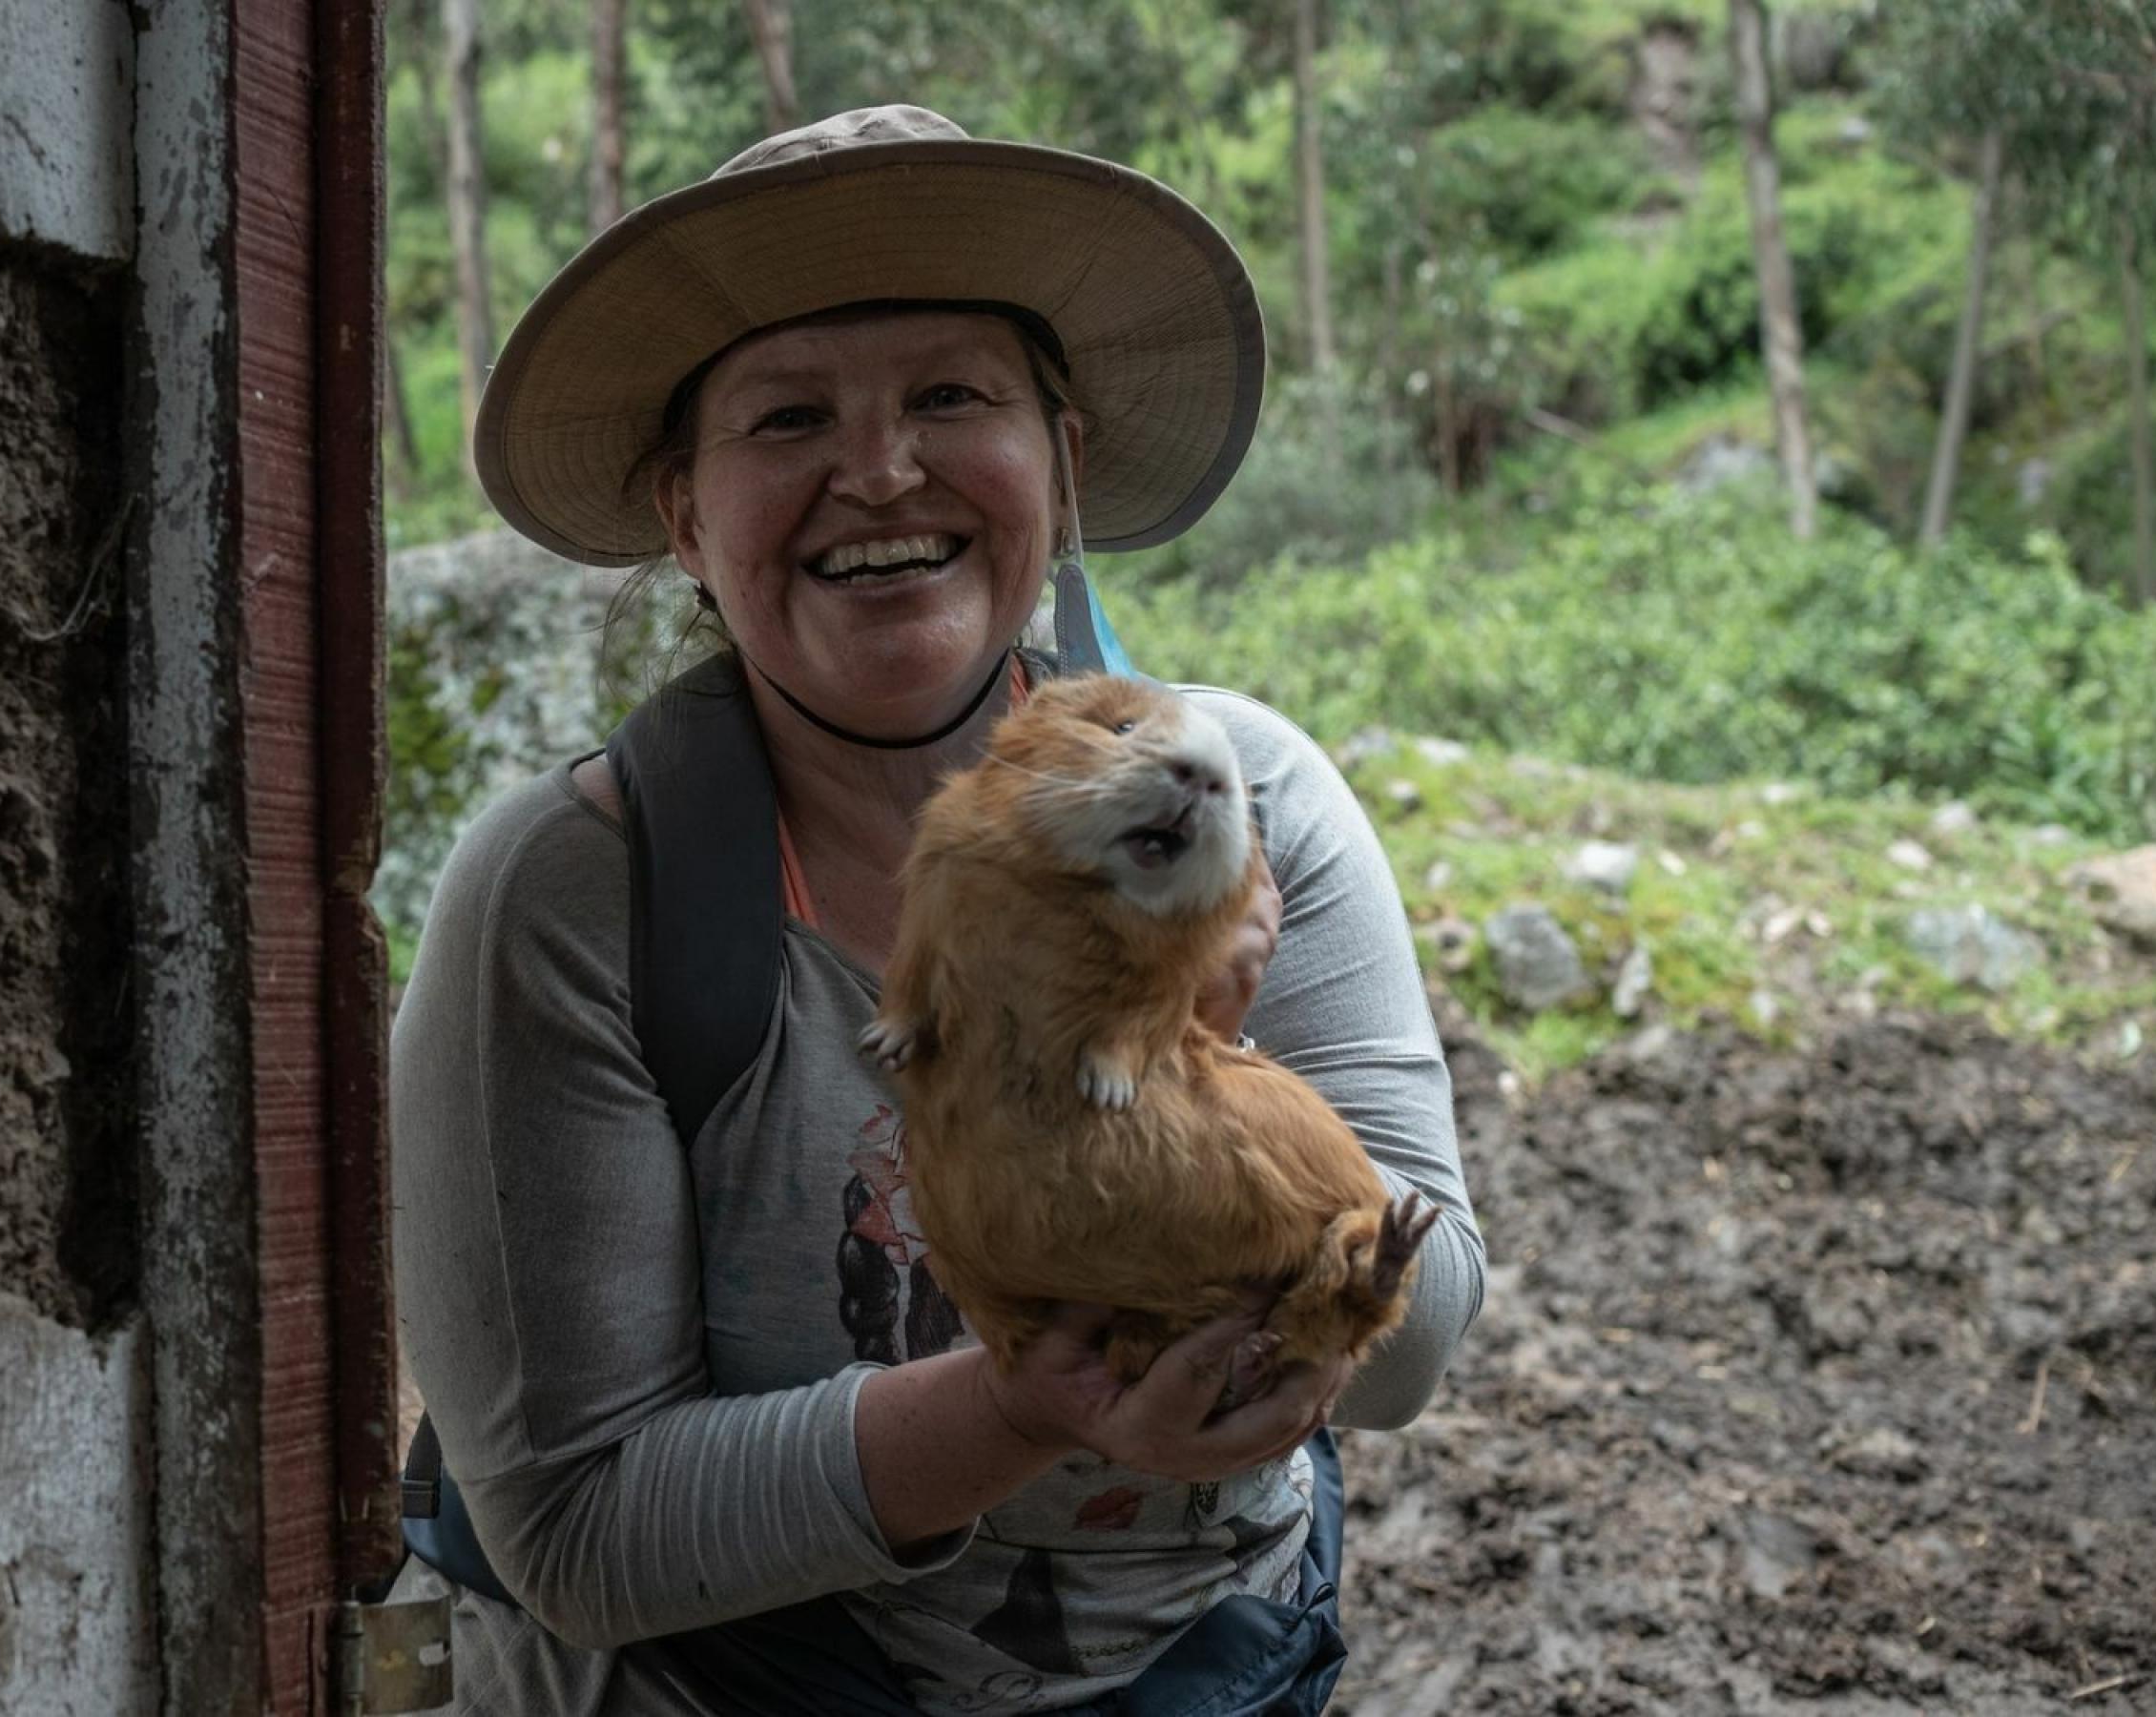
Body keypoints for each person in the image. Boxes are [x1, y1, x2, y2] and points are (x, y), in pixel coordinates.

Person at [392, 105, 1482, 1716]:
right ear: (686, 517)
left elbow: (1417, 1336)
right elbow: (577, 1527)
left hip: (1191, 1667)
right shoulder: (569, 902)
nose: (880, 469)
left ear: (1064, 461)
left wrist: (1180, 1054)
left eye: (953, 397)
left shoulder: (1243, 801)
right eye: (784, 418)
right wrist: (1031, 1406)